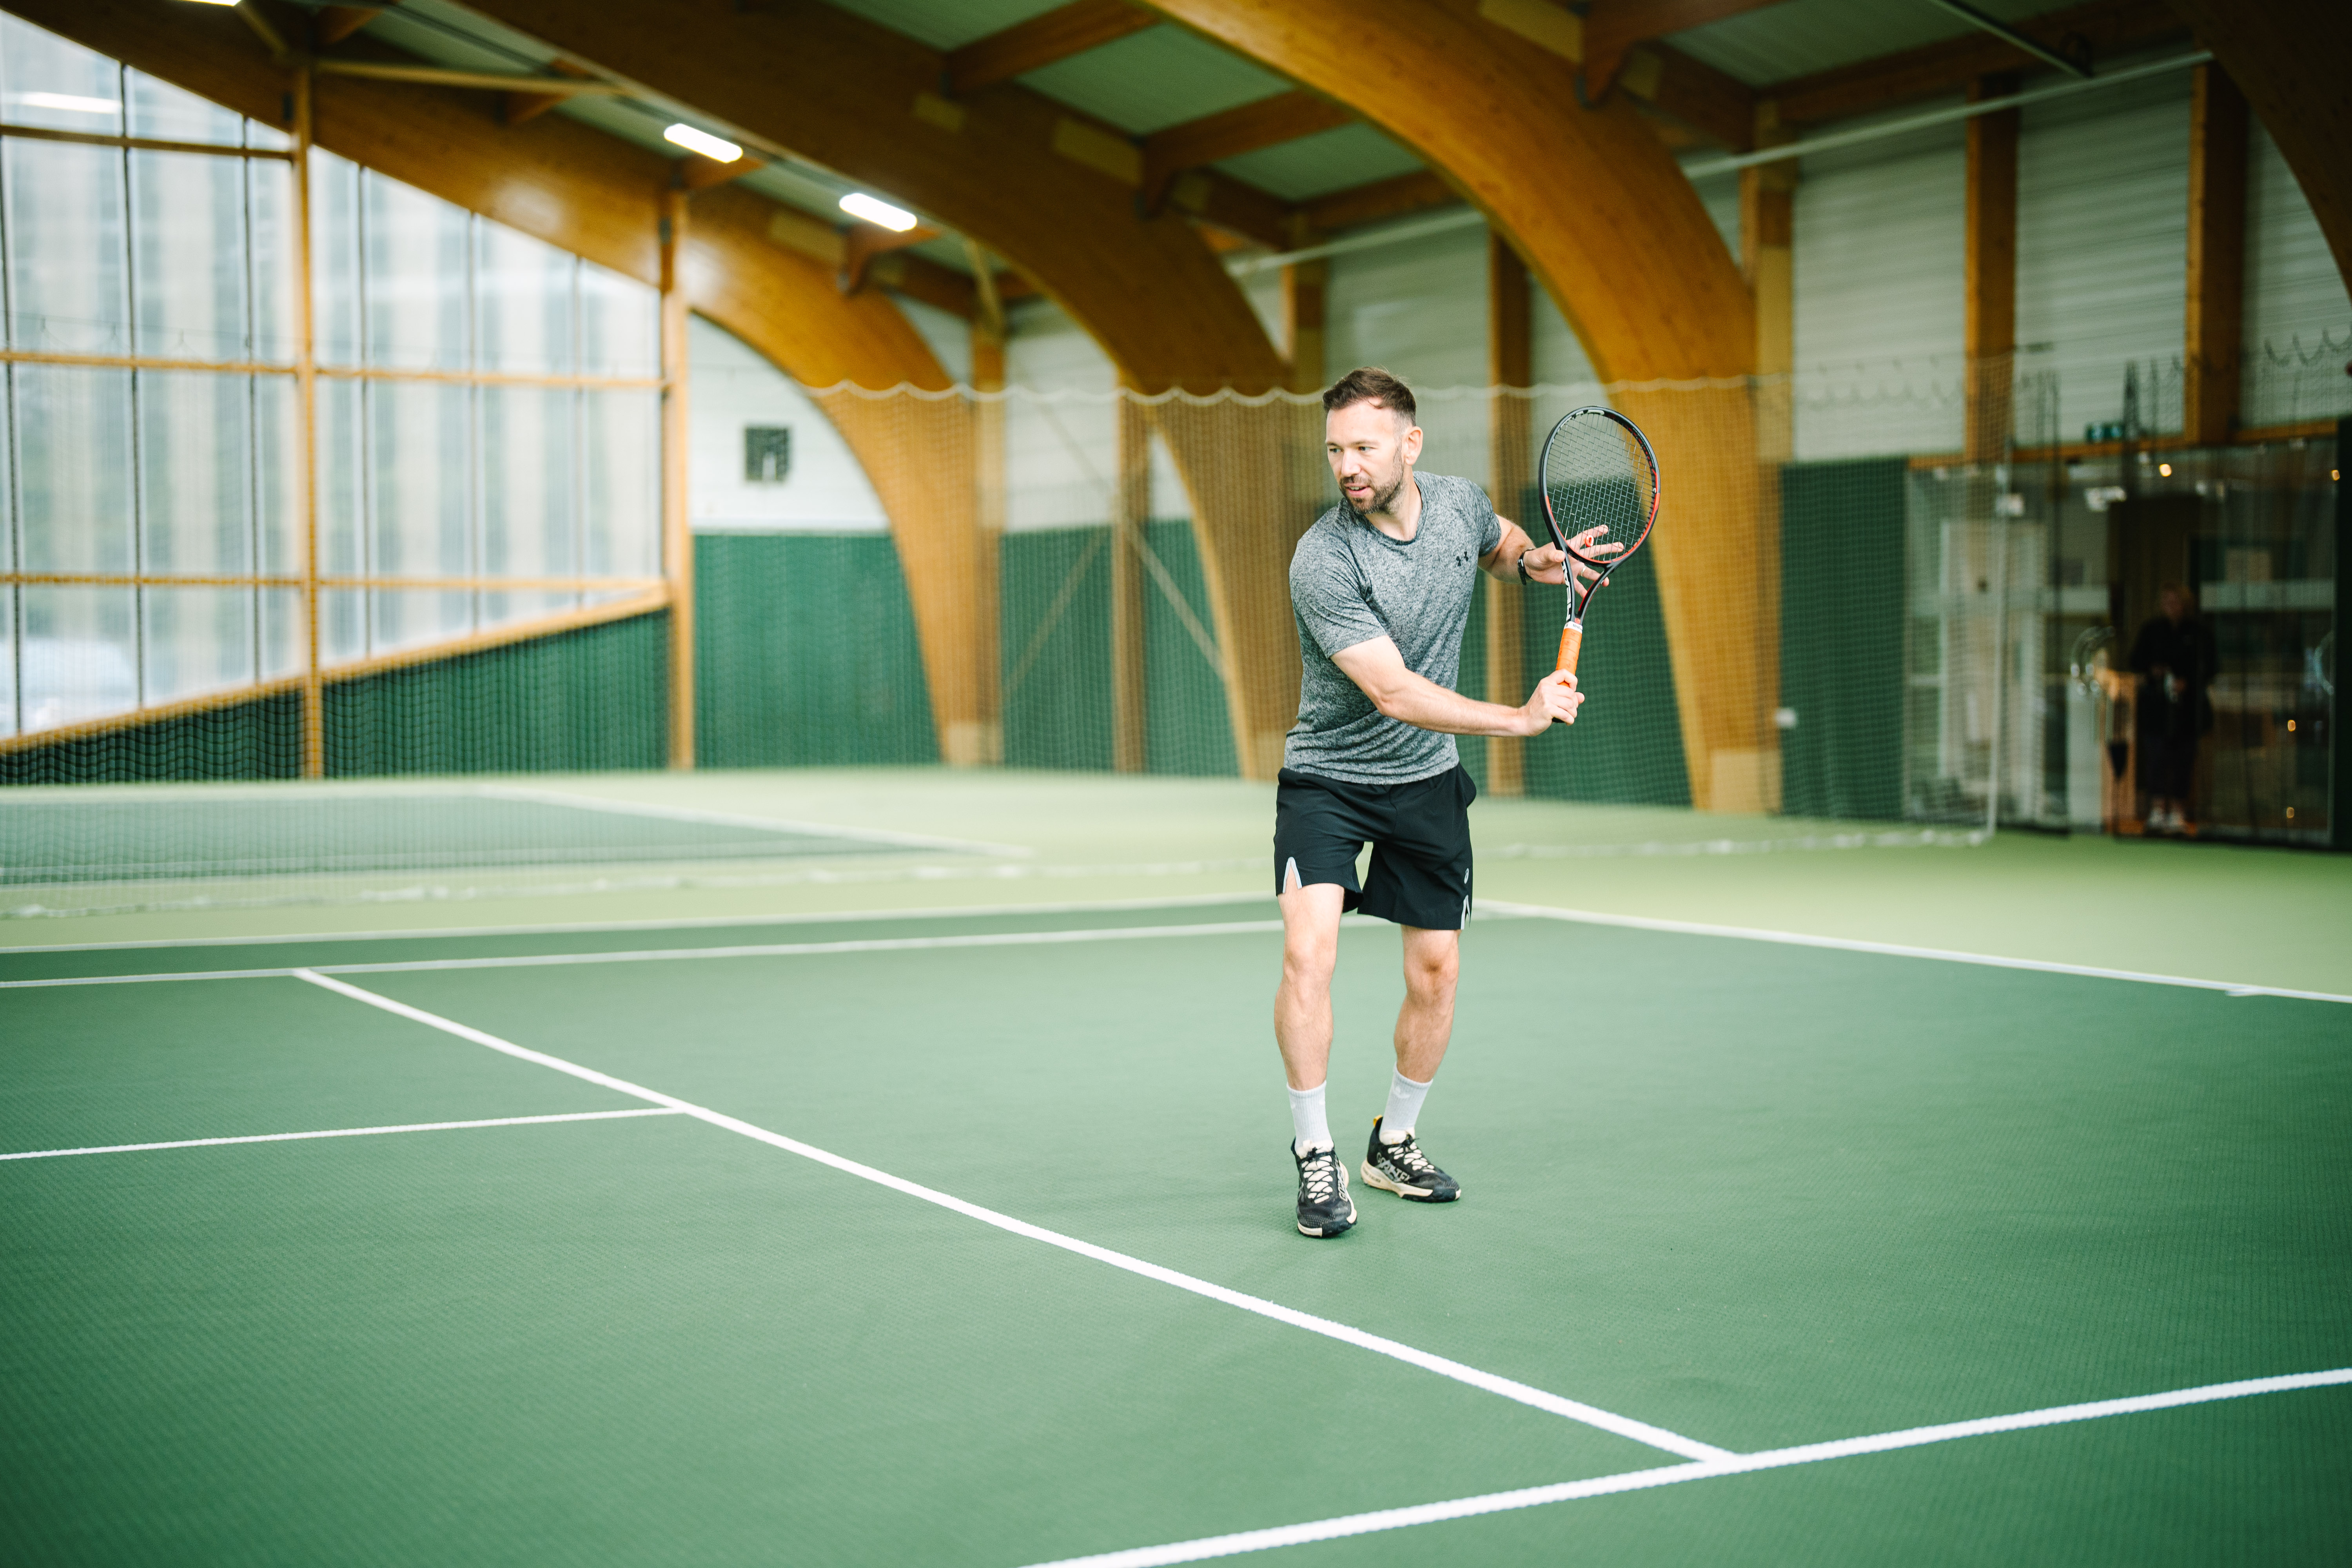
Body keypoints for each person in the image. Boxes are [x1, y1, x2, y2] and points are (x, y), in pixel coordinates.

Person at [1274, 367, 1614, 1238]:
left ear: (1409, 444)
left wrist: (1541, 561)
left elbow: (1498, 545)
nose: (1347, 465)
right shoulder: (1323, 557)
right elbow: (1391, 691)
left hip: (1424, 781)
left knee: (1438, 972)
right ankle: (1316, 1156)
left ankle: (1394, 1141)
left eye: (1364, 446)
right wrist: (1520, 717)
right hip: (1331, 779)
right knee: (1309, 954)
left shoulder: (1458, 503)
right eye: (1335, 450)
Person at [2128, 583, 2219, 835]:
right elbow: (2136, 661)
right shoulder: (2152, 631)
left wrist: (2187, 682)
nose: (2170, 606)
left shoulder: (2200, 633)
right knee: (2156, 758)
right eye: (2166, 601)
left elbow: (2211, 668)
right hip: (2156, 709)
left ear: (2185, 604)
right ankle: (2158, 812)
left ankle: (2179, 813)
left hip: (2188, 712)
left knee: (2183, 760)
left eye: (2175, 601)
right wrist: (2154, 671)